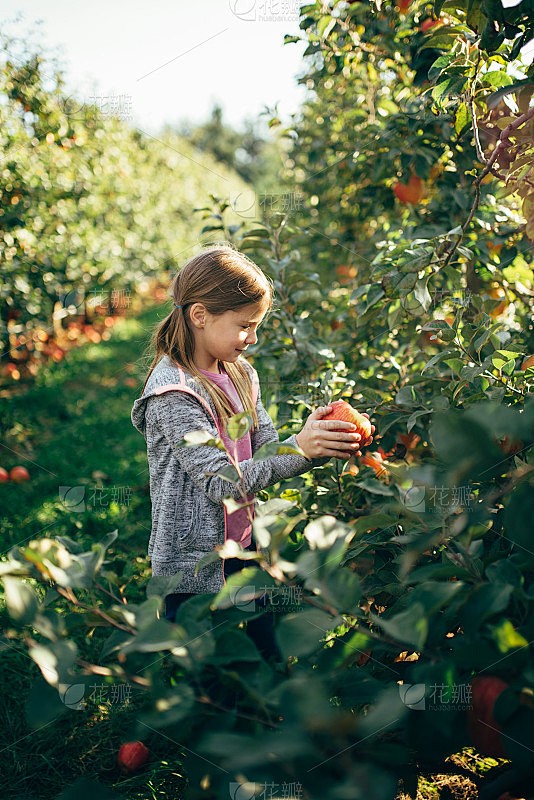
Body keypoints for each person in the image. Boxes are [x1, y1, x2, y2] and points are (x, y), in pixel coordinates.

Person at [131, 243, 374, 664]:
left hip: (243, 544)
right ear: (200, 316)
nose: (253, 338)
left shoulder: (240, 373)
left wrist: (310, 435)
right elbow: (218, 480)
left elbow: (265, 449)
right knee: (209, 663)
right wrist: (300, 450)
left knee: (266, 649)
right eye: (245, 326)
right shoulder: (172, 395)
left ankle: (270, 717)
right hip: (193, 563)